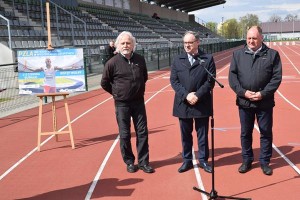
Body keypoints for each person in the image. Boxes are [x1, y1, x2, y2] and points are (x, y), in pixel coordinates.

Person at [228, 26, 282, 176]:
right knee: (245, 132)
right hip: (244, 102)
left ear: (261, 38)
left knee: (265, 132)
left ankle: (265, 162)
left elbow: (276, 78)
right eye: (249, 38)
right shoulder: (237, 55)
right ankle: (247, 160)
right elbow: (232, 78)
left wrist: (262, 94)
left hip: (264, 102)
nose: (251, 41)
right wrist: (243, 92)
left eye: (254, 38)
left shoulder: (273, 55)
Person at [100, 31, 154, 174]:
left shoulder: (140, 59)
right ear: (118, 45)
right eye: (123, 43)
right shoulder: (112, 63)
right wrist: (117, 93)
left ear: (133, 45)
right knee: (124, 134)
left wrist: (136, 90)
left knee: (142, 132)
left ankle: (143, 162)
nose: (126, 45)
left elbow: (145, 77)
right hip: (122, 104)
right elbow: (104, 83)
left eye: (128, 43)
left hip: (139, 102)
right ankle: (129, 162)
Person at [170, 31, 216, 173]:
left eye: (190, 42)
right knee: (185, 135)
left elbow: (210, 81)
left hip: (201, 103)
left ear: (198, 42)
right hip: (183, 103)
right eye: (185, 43)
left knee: (202, 134)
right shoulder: (177, 60)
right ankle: (187, 161)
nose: (187, 45)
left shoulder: (207, 59)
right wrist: (186, 95)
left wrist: (197, 95)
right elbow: (174, 81)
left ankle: (203, 161)